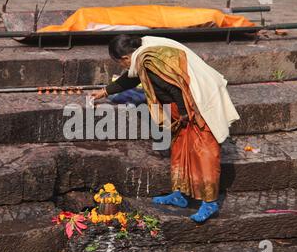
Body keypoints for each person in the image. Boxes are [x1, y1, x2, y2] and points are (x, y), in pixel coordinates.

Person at [92, 34, 240, 223]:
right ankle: (181, 195)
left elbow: (174, 88)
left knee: (204, 152)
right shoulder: (145, 49)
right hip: (182, 107)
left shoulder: (149, 60)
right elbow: (131, 79)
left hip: (196, 105)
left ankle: (210, 203)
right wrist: (105, 91)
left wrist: (186, 115)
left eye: (119, 63)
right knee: (181, 150)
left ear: (125, 58)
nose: (123, 67)